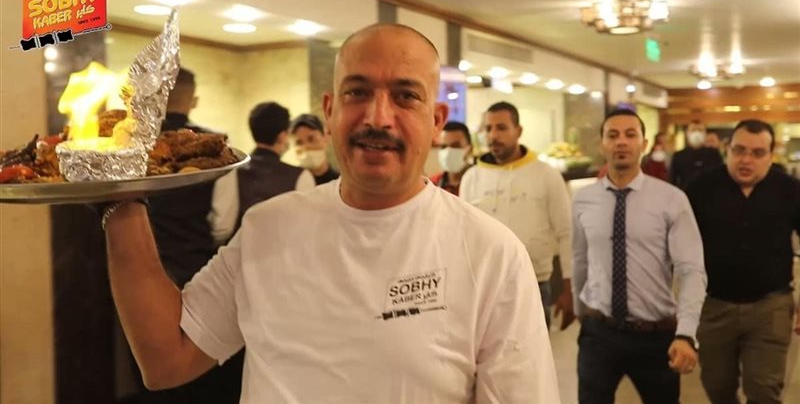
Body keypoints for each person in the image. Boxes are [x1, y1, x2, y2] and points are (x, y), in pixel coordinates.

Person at [101, 23, 560, 403]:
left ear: (436, 120)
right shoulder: (267, 228)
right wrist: (121, 197)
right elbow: (167, 360)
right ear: (330, 110)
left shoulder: (492, 254)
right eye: (357, 92)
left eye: (405, 96)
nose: (378, 117)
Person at [572, 108, 707, 404]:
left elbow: (691, 269)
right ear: (602, 144)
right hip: (600, 332)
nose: (621, 142)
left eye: (630, 135)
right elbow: (580, 258)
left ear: (643, 144)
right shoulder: (584, 199)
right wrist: (580, 311)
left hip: (655, 335)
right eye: (613, 135)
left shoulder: (671, 199)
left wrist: (686, 333)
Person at [140, 67, 244, 403]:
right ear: (193, 99)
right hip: (197, 270)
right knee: (204, 380)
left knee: (153, 374)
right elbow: (223, 222)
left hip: (143, 273)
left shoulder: (133, 146)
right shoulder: (217, 150)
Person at [686, 119, 800, 404]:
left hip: (770, 305)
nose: (746, 160)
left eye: (757, 153)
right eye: (739, 150)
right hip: (713, 305)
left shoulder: (790, 189)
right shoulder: (701, 188)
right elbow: (679, 247)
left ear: (771, 155)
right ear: (728, 149)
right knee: (717, 384)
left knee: (764, 389)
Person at [461, 101, 574, 331]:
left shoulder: (546, 175)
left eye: (501, 128)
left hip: (534, 284)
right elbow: (463, 237)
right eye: (488, 129)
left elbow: (567, 232)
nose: (493, 135)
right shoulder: (472, 178)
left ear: (518, 131)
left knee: (532, 353)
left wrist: (569, 287)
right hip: (484, 288)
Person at [212, 102, 315, 234]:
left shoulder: (231, 170)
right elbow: (306, 227)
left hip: (243, 245)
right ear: (282, 136)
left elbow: (222, 228)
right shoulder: (301, 176)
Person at [669, 120, 723, 189]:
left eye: (700, 130)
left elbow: (721, 177)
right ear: (687, 133)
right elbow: (672, 181)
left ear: (705, 134)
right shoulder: (679, 156)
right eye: (693, 130)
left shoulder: (714, 154)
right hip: (686, 193)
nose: (697, 133)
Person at [290, 113, 339, 185]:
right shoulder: (290, 184)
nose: (306, 146)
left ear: (325, 138)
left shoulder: (340, 183)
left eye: (311, 139)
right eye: (299, 142)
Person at [429, 121, 473, 195]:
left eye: (455, 146)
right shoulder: (432, 185)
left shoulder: (480, 182)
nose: (448, 151)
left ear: (470, 150)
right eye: (443, 146)